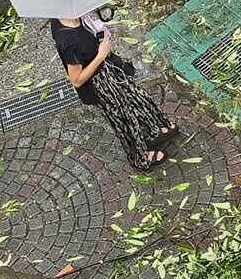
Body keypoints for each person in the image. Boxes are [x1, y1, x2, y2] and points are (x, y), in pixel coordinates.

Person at [51, 14, 176, 170]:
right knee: (123, 119)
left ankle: (152, 131)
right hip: (99, 85)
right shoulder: (68, 40)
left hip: (108, 70)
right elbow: (76, 80)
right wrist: (100, 55)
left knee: (136, 97)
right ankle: (141, 158)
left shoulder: (77, 16)